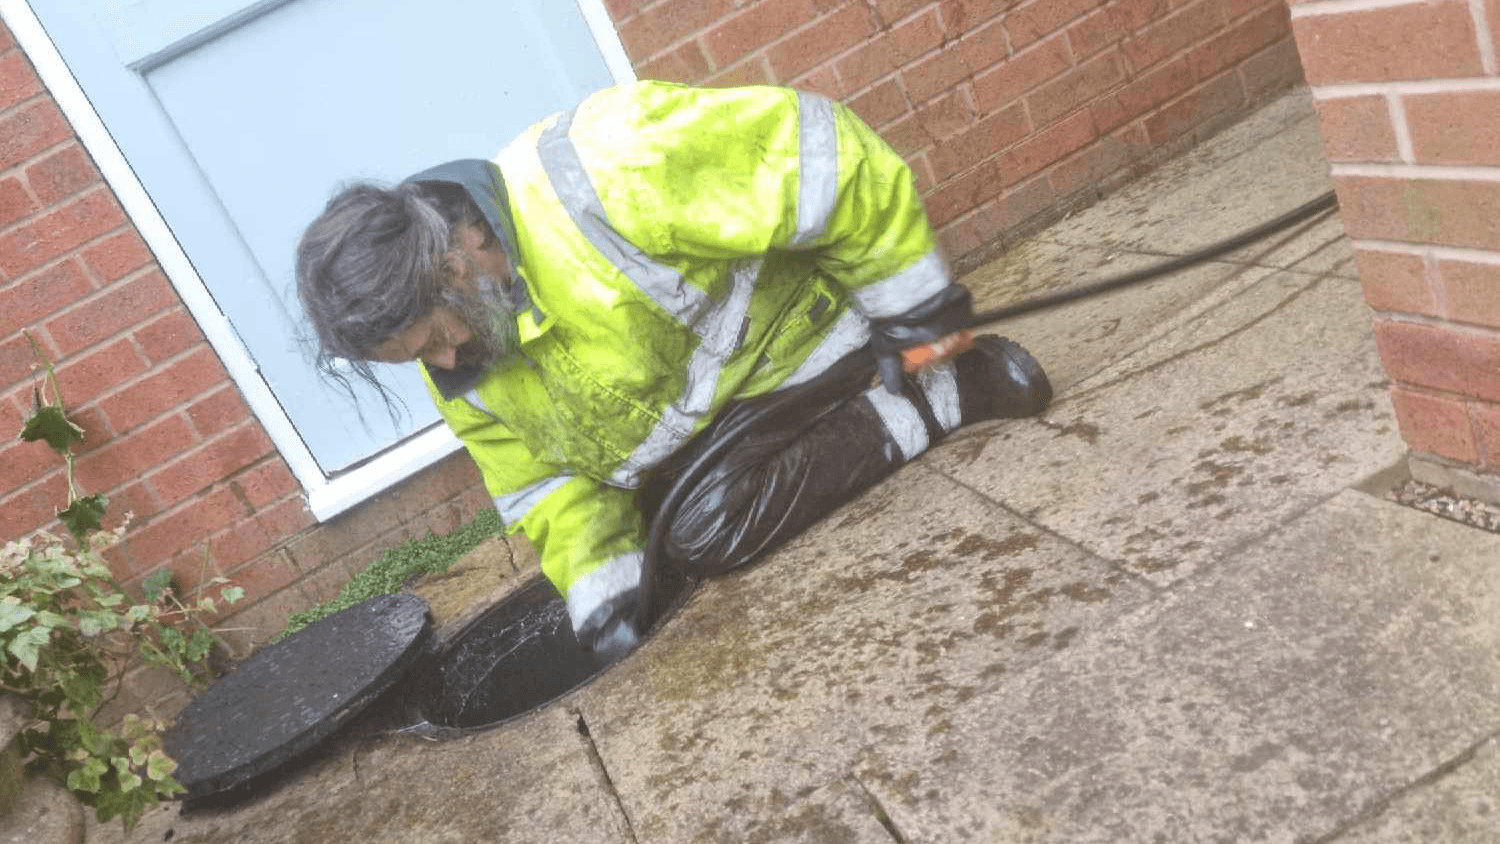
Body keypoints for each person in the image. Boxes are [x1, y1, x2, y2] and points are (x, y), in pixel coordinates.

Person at [295, 81, 1051, 662]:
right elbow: (542, 485)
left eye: (433, 339)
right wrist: (607, 599)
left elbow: (818, 154)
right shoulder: (463, 353)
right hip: (716, 426)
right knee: (665, 530)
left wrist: (914, 311)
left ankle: (946, 390)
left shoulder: (596, 169)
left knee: (705, 530)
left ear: (454, 263)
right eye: (420, 359)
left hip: (806, 351)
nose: (444, 364)